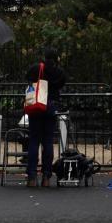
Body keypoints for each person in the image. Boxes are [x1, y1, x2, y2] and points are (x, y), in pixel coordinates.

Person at [25, 47, 66, 187]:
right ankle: (46, 177)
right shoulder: (59, 72)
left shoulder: (36, 68)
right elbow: (61, 84)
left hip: (37, 105)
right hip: (51, 106)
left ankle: (31, 176)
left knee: (34, 140)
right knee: (48, 141)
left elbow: (28, 79)